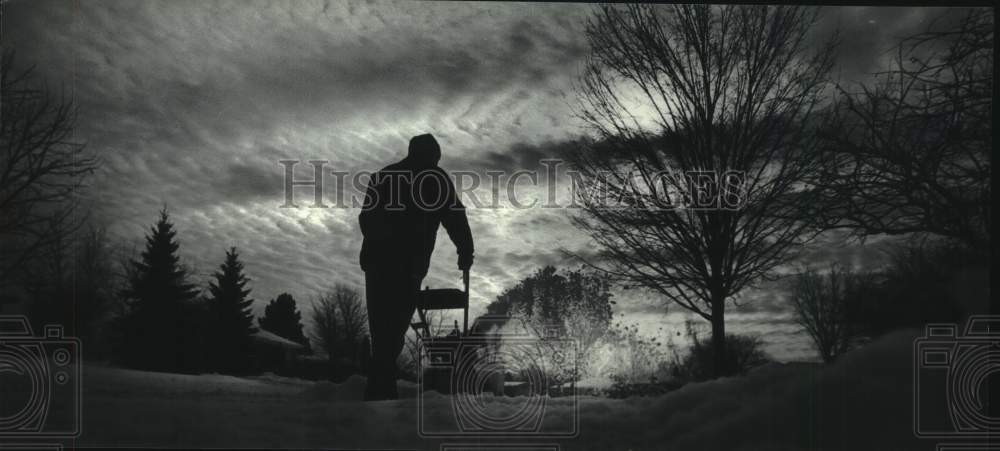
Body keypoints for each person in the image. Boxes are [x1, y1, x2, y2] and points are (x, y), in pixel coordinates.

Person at [358, 133, 474, 401]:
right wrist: (465, 250)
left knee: (384, 330)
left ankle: (379, 390)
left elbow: (366, 220)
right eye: (434, 158)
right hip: (402, 264)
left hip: (380, 263)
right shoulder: (434, 179)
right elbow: (455, 217)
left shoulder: (384, 176)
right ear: (430, 155)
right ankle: (381, 392)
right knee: (393, 328)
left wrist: (465, 249)